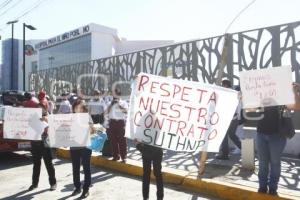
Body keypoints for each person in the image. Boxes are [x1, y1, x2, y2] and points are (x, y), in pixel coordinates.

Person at [255, 105, 288, 196]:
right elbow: (251, 107)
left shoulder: (283, 92)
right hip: (261, 133)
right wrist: (244, 99)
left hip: (278, 134)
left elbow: (295, 105)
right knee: (262, 163)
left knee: (275, 162)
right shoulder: (259, 92)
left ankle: (273, 188)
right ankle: (262, 187)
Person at [27, 94, 57, 191]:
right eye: (38, 108)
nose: (40, 110)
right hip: (35, 143)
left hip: (44, 143)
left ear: (45, 108)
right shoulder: (33, 117)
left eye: (42, 107)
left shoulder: (49, 117)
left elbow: (54, 129)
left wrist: (47, 121)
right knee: (36, 164)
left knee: (49, 164)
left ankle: (53, 183)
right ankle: (34, 184)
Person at [70, 99, 93, 198]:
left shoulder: (87, 117)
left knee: (86, 168)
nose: (78, 109)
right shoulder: (69, 117)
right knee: (75, 168)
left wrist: (88, 127)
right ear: (74, 108)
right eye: (76, 107)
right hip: (74, 146)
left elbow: (92, 131)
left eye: (80, 107)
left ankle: (86, 189)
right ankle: (77, 187)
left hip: (85, 146)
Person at [216, 80, 241, 160]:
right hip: (235, 118)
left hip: (229, 118)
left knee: (224, 135)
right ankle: (245, 150)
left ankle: (225, 154)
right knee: (232, 135)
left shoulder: (229, 94)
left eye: (222, 85)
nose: (222, 86)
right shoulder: (234, 93)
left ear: (225, 85)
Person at [105, 88, 128, 162]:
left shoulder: (123, 102)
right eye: (113, 95)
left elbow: (126, 111)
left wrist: (119, 105)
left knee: (122, 140)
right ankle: (115, 156)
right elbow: (106, 113)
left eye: (116, 95)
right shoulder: (109, 103)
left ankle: (123, 157)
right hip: (112, 122)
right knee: (113, 141)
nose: (114, 96)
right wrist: (111, 105)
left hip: (120, 122)